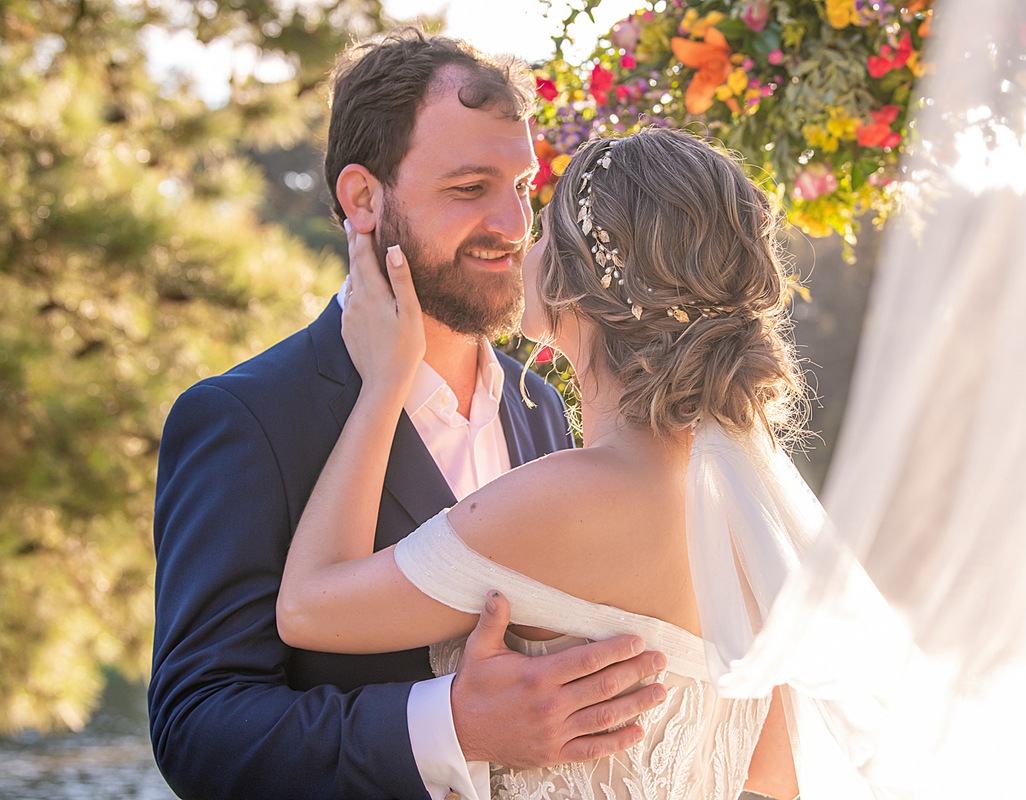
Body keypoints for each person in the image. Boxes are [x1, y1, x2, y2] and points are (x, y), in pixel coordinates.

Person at [149, 29, 668, 800]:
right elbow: (197, 727)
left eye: (522, 187)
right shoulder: (243, 417)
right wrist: (448, 727)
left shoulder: (542, 411)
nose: (513, 224)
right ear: (363, 199)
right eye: (469, 188)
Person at [276, 128, 811, 800]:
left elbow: (308, 608)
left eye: (545, 224)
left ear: (576, 280)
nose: (521, 243)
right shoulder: (748, 522)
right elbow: (776, 769)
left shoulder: (569, 498)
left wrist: (386, 382)